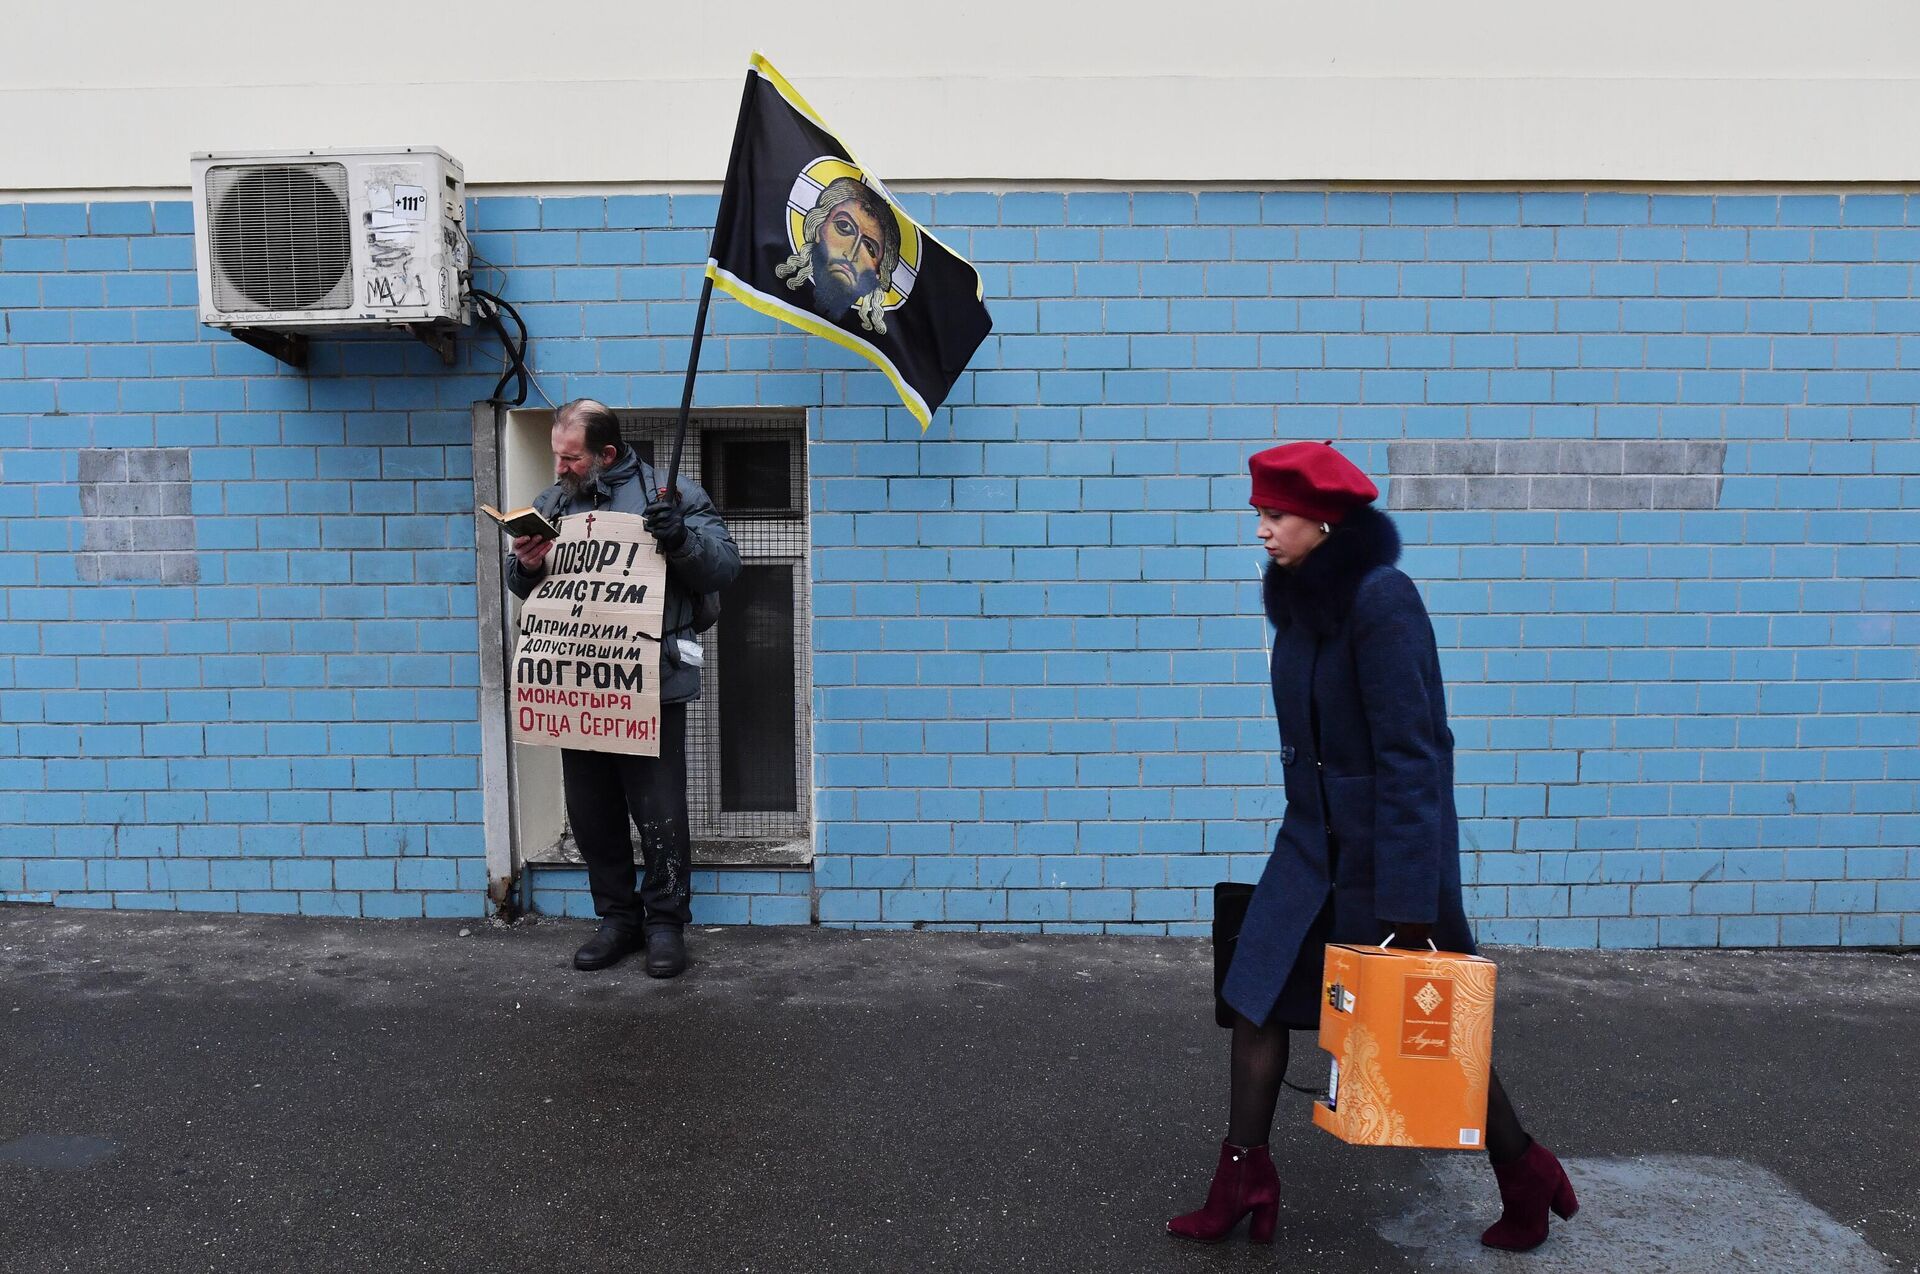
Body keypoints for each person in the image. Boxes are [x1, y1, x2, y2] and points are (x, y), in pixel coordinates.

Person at [1166, 441, 1578, 1251]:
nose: (1262, 531)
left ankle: (1526, 1171)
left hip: (1385, 862)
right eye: (1258, 514)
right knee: (1254, 1000)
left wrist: (1409, 907)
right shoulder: (1298, 597)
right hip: (1308, 849)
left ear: (1322, 518)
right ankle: (1244, 1175)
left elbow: (1414, 755)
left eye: (1274, 515)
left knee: (1430, 1032)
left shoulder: (1383, 600)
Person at [506, 398, 741, 978]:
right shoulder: (552, 504)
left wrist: (681, 539)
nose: (559, 467)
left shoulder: (675, 496)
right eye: (555, 456)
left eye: (571, 457)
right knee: (592, 814)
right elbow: (524, 586)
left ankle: (665, 925)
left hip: (650, 685)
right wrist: (528, 564)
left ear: (606, 453)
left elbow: (724, 570)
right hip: (578, 686)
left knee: (659, 812)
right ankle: (616, 920)